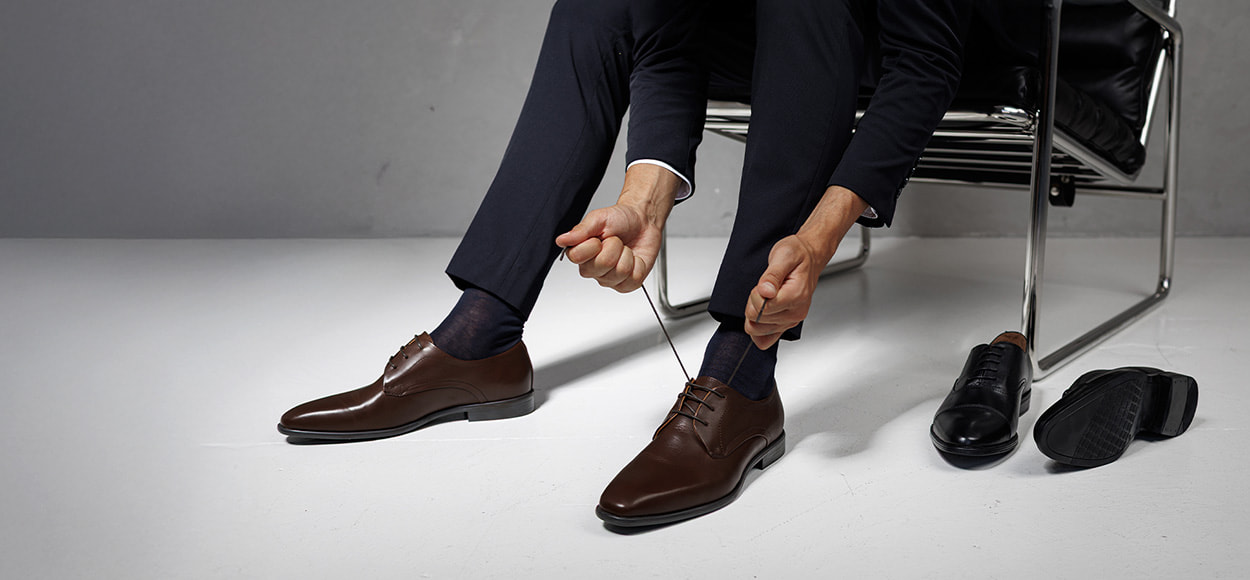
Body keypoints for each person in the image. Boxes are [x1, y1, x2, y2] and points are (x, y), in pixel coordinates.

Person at [278, 0, 1027, 528]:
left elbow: (926, 62)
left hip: (924, 33)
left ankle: (742, 373)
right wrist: (645, 199)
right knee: (598, 5)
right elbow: (667, 35)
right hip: (773, 27)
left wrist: (815, 238)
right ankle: (483, 335)